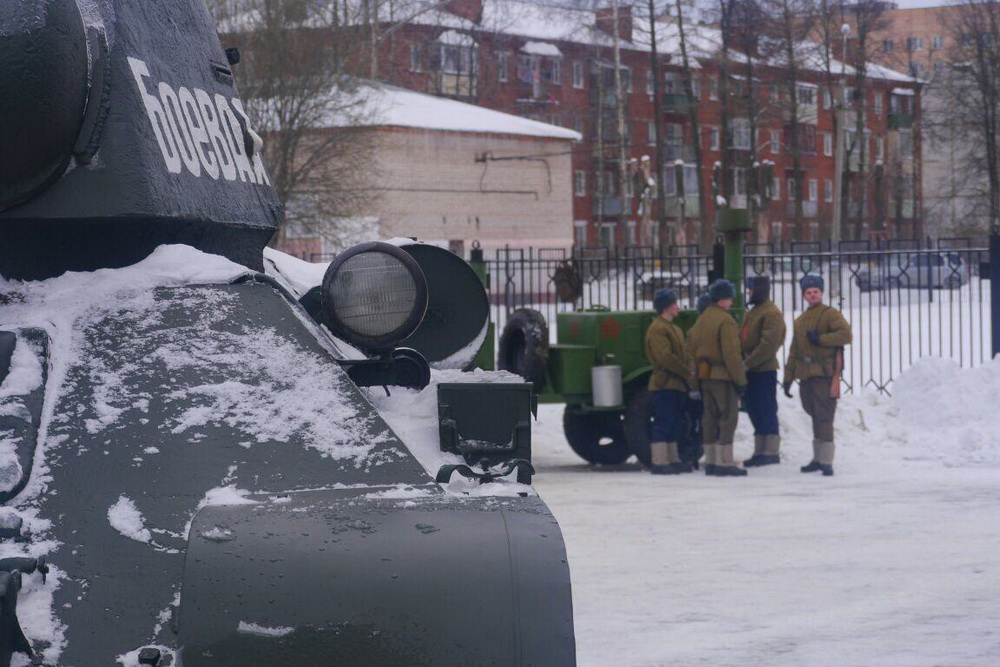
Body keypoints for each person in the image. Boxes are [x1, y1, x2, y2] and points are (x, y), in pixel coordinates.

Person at [783, 275, 852, 476]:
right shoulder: (800, 320)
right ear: (804, 296)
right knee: (812, 411)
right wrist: (788, 377)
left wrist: (821, 339)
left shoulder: (830, 314)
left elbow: (846, 335)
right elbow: (794, 350)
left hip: (823, 373)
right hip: (806, 375)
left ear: (821, 293)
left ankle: (827, 460)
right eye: (808, 292)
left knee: (824, 415)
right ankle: (817, 457)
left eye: (815, 291)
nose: (812, 295)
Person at [686, 279, 747, 477]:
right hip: (723, 376)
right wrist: (740, 380)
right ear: (723, 299)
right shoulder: (726, 320)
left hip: (705, 376)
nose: (732, 301)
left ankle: (711, 461)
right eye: (730, 297)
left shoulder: (702, 319)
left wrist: (694, 383)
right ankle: (725, 462)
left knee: (709, 418)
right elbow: (731, 354)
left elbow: (691, 353)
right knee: (728, 417)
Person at [644, 288, 694, 475]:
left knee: (674, 422)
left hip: (676, 383)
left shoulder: (675, 328)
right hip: (665, 383)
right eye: (673, 304)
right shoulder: (658, 328)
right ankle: (659, 460)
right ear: (666, 307)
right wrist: (686, 370)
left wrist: (688, 367)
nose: (677, 307)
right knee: (664, 421)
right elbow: (665, 357)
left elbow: (685, 352)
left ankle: (672, 459)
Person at [741, 275, 786, 467]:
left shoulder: (771, 313)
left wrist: (749, 362)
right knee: (754, 409)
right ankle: (760, 450)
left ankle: (770, 451)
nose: (749, 293)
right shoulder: (755, 311)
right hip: (752, 369)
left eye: (751, 289)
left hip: (763, 370)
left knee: (766, 409)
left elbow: (769, 344)